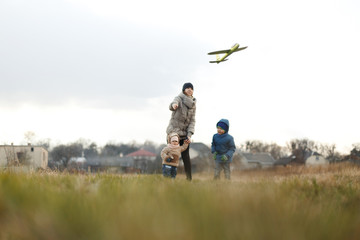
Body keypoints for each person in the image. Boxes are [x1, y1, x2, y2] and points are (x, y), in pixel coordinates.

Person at [166, 82, 196, 181]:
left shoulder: (193, 104)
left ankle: (189, 179)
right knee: (172, 155)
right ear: (183, 90)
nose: (189, 89)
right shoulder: (179, 98)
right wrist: (174, 105)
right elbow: (172, 104)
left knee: (186, 157)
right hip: (174, 132)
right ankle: (169, 177)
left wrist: (189, 135)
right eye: (187, 88)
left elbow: (192, 121)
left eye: (191, 88)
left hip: (185, 134)